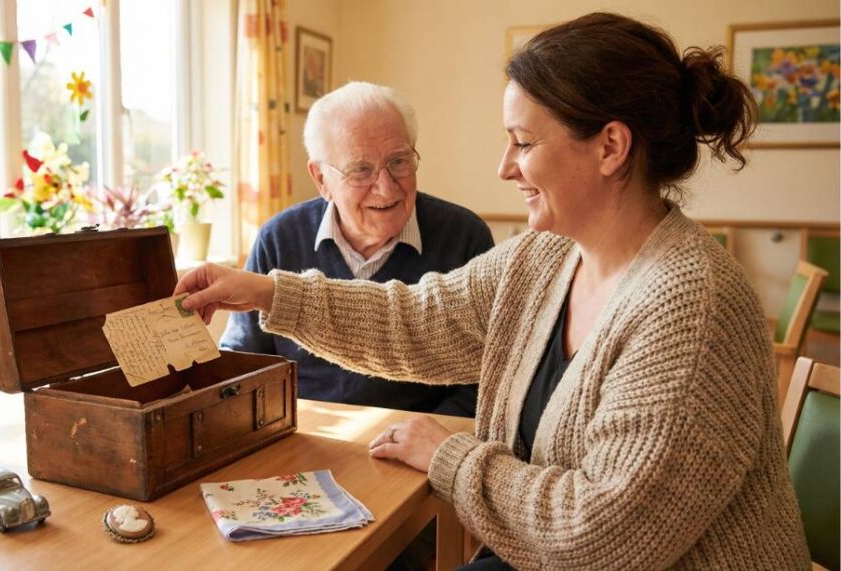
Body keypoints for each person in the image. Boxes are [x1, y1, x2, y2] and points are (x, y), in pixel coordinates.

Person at [177, 12, 809, 570]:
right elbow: (419, 322)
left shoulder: (692, 306)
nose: (504, 167)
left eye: (524, 143)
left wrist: (451, 454)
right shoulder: (548, 256)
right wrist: (264, 293)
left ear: (611, 147)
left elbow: (598, 538)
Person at [221, 81, 494, 418]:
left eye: (399, 161)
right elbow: (244, 362)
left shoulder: (464, 236)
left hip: (420, 441)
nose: (385, 187)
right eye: (361, 170)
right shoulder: (279, 237)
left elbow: (488, 376)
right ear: (321, 178)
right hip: (306, 432)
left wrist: (427, 433)